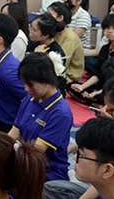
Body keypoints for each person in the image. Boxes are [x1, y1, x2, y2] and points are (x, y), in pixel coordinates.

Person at [9, 53, 73, 181]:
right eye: (24, 84)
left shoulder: (61, 114)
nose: (26, 89)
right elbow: (13, 133)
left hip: (47, 173)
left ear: (47, 81)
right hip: (25, 162)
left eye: (30, 85)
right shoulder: (30, 99)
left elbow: (35, 152)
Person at [69, 14, 114, 103]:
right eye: (107, 28)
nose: (109, 31)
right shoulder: (105, 48)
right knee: (71, 86)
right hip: (104, 85)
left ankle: (97, 99)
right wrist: (82, 86)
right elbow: (98, 72)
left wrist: (98, 92)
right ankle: (95, 99)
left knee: (107, 96)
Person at [46, 2, 84, 84]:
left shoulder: (70, 38)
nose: (46, 18)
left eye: (49, 15)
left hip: (69, 79)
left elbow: (60, 63)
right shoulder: (55, 33)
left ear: (60, 18)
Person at [26, 14, 67, 89]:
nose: (30, 31)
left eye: (34, 30)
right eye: (30, 27)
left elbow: (48, 80)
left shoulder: (56, 54)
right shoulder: (33, 43)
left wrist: (36, 56)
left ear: (45, 35)